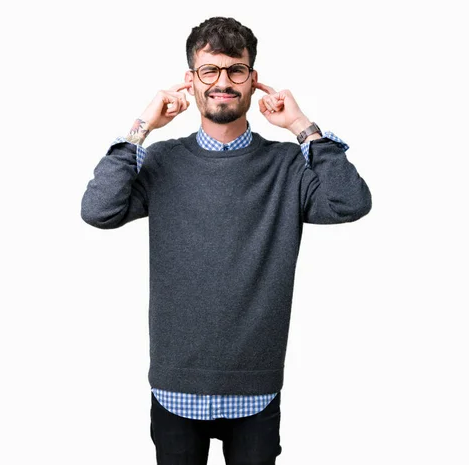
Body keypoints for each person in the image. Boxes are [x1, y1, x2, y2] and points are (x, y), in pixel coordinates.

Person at [81, 16, 372, 465]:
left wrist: (302, 125)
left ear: (253, 81)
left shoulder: (287, 167)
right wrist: (141, 126)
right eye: (210, 70)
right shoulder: (161, 162)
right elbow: (98, 210)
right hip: (176, 386)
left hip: (254, 389)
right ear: (190, 81)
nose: (223, 82)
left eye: (236, 70)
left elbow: (350, 202)